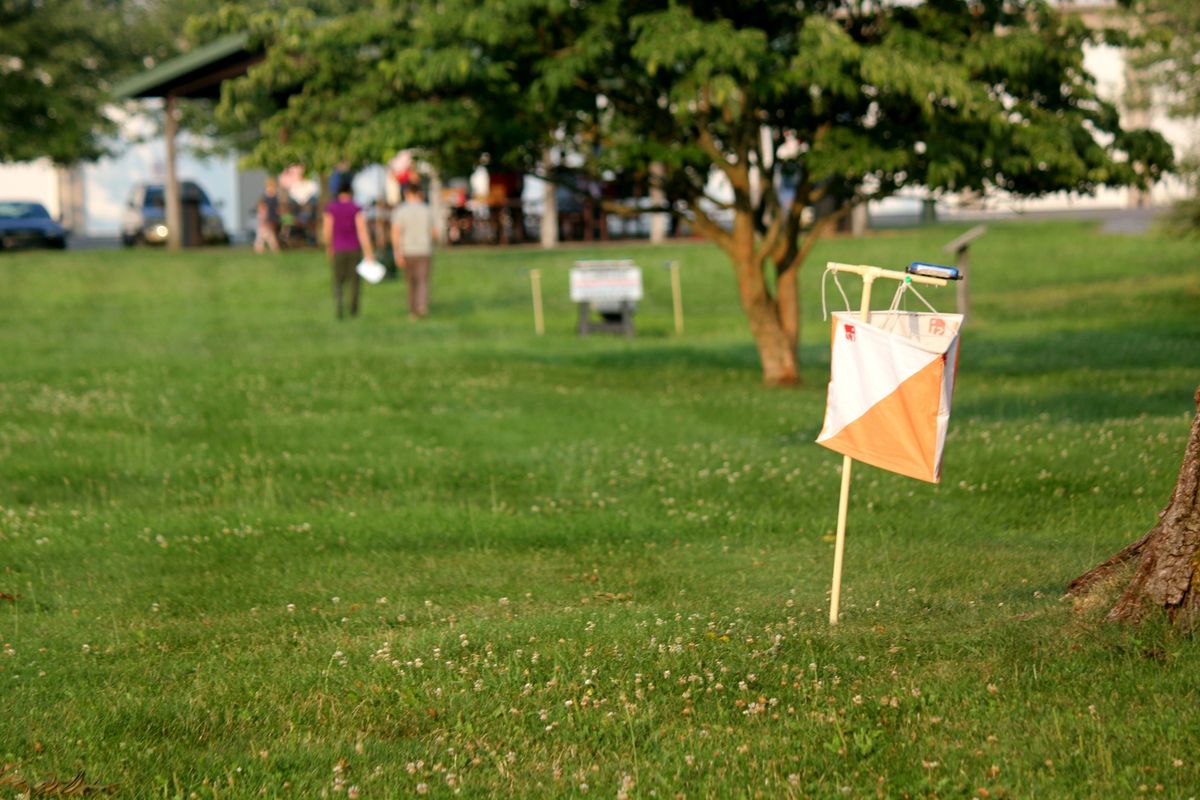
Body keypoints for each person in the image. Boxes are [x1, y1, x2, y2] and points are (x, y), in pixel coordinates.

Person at [323, 180, 374, 319]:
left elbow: (327, 229)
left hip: (338, 248)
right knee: (354, 281)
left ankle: (339, 303)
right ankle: (353, 309)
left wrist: (329, 246)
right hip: (354, 249)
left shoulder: (331, 208)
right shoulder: (355, 208)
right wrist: (368, 252)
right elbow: (362, 230)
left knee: (338, 279)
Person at [390, 183, 437, 319]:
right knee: (423, 280)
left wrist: (396, 252)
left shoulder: (400, 211)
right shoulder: (427, 210)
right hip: (424, 250)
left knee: (411, 282)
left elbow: (395, 232)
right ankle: (422, 306)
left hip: (407, 250)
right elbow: (434, 233)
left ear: (406, 194)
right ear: (420, 194)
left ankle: (413, 311)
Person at [254, 177, 281, 253]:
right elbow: (262, 208)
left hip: (272, 217)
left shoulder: (274, 196)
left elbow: (276, 208)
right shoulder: (265, 197)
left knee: (268, 234)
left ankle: (263, 247)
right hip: (266, 219)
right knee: (266, 234)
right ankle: (265, 247)